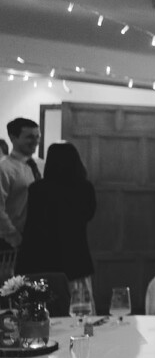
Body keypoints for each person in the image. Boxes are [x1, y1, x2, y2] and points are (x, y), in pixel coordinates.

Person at [15, 143, 96, 285]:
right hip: (75, 256)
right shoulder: (85, 188)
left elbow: (32, 223)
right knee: (76, 296)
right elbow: (89, 214)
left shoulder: (37, 189)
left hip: (41, 258)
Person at [0, 117, 42, 251]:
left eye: (38, 137)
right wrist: (15, 238)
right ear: (13, 138)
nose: (36, 141)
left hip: (39, 237)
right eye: (30, 137)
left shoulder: (42, 165)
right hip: (11, 241)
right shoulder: (4, 168)